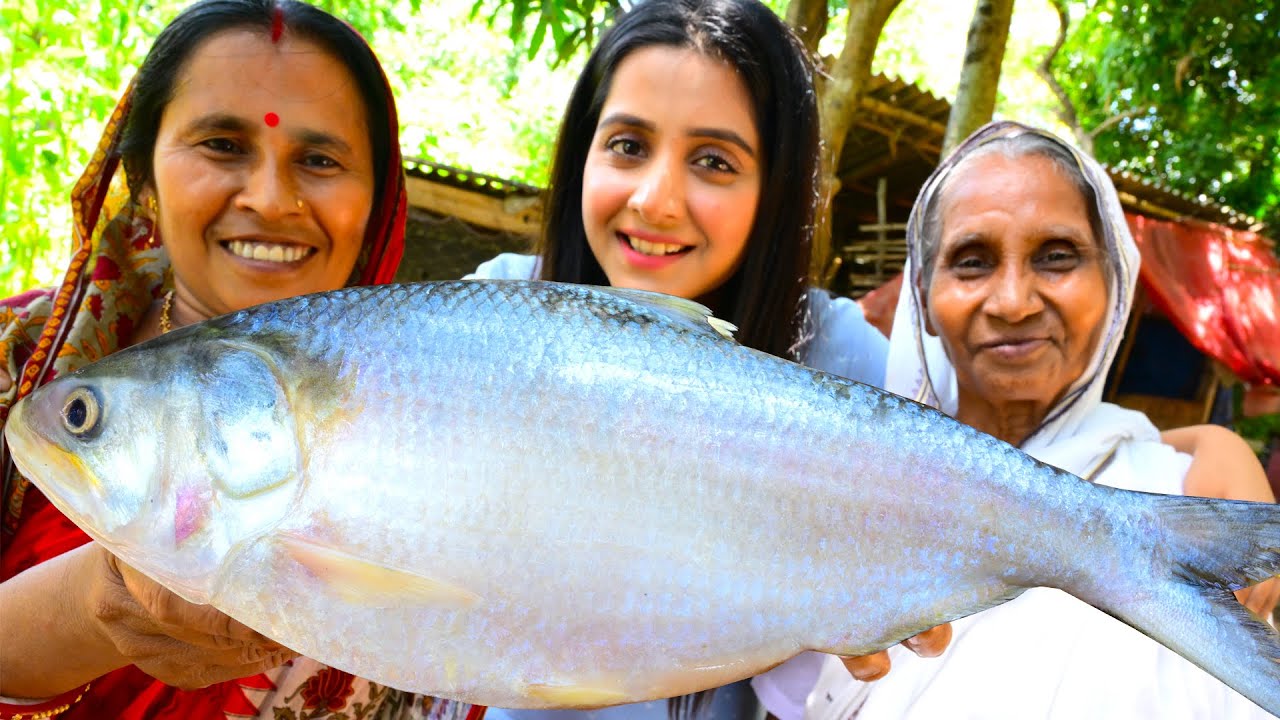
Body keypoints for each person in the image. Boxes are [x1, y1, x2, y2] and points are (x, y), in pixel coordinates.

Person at [465, 1, 949, 717]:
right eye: (628, 145)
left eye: (714, 162)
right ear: (581, 156)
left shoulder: (841, 356)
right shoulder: (490, 315)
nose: (656, 200)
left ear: (775, 191)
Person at [0, 1, 466, 717]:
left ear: (379, 202)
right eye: (222, 144)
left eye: (319, 160)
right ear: (145, 178)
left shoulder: (467, 407)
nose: (271, 199)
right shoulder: (21, 367)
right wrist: (86, 607)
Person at [795, 120, 1278, 720]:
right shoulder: (856, 495)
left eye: (1056, 257)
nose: (1014, 302)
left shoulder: (1188, 507)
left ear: (1114, 284)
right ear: (921, 295)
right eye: (972, 261)